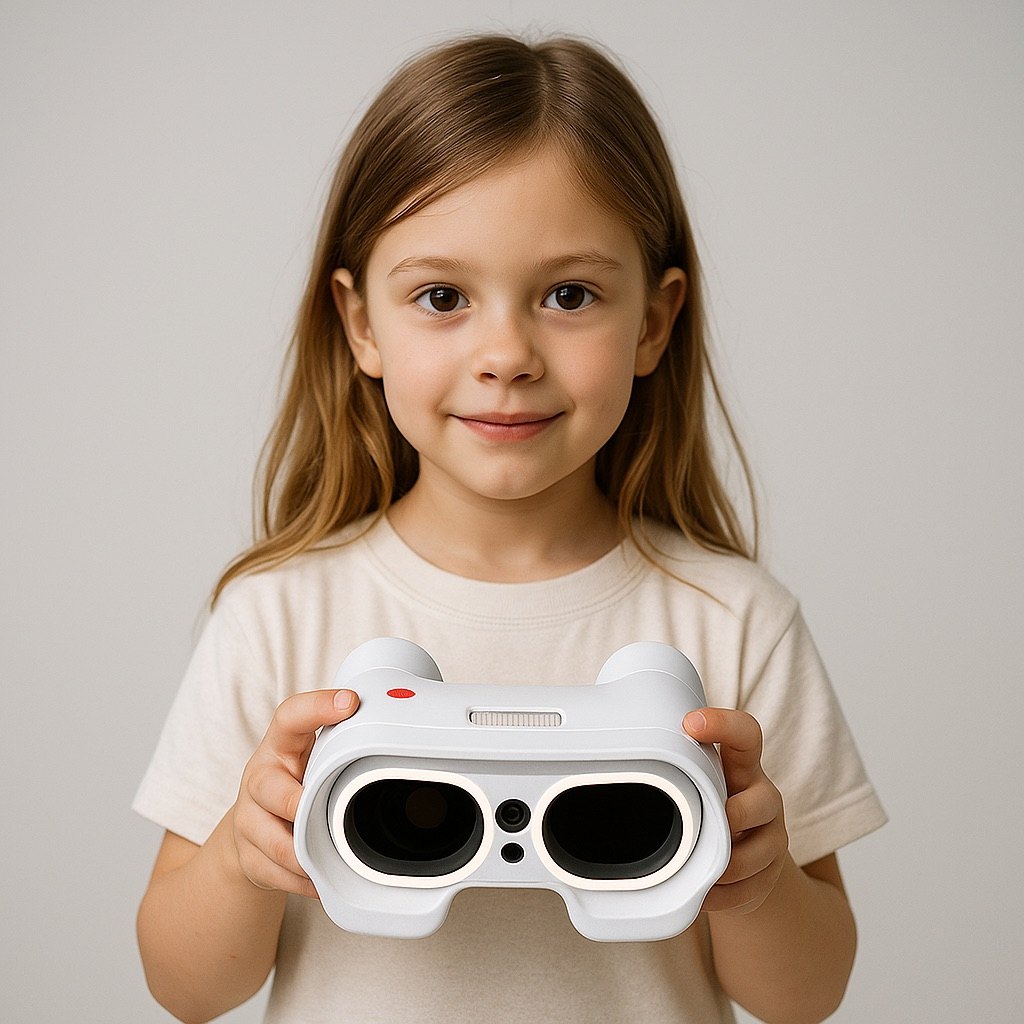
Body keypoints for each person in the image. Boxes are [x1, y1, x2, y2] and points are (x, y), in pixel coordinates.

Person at [134, 33, 886, 1024]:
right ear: (361, 324)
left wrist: (753, 882)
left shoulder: (732, 622)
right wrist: (245, 853)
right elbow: (185, 989)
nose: (506, 354)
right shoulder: (280, 616)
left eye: (568, 295)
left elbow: (809, 994)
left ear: (654, 323)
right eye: (441, 297)